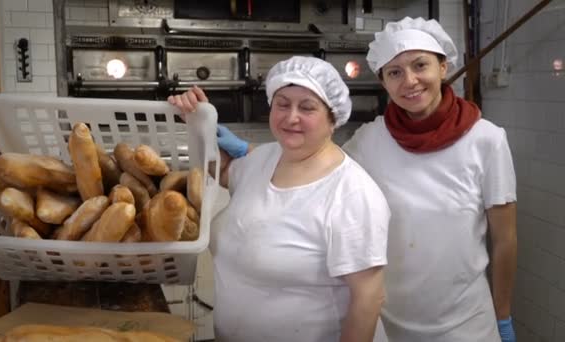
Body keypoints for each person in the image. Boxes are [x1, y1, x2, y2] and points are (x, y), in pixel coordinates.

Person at [203, 17, 518, 342]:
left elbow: (505, 240)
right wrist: (250, 153)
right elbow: (316, 164)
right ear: (384, 82)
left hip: (463, 323)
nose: (409, 81)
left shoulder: (486, 141)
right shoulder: (373, 138)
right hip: (389, 317)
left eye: (420, 65)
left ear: (443, 66)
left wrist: (503, 314)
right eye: (394, 72)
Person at [168, 56, 391, 342]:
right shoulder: (264, 157)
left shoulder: (351, 194)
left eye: (307, 107)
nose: (291, 117)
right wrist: (201, 121)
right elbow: (224, 172)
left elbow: (368, 299)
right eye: (283, 104)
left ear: (332, 118)